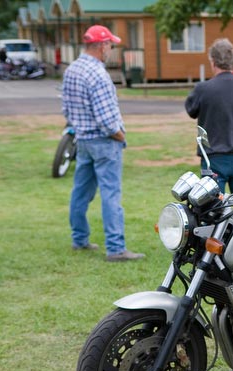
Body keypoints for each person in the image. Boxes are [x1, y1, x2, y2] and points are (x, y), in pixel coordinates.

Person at [62, 25, 144, 261]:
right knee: (111, 195)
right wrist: (120, 136)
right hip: (104, 141)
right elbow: (107, 119)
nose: (111, 49)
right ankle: (116, 248)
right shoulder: (98, 74)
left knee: (80, 192)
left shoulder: (72, 69)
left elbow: (66, 109)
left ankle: (79, 239)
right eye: (110, 45)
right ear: (101, 45)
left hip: (83, 140)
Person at [185, 38, 233, 195]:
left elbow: (191, 110)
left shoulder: (203, 88)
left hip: (214, 156)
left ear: (213, 61)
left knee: (212, 205)